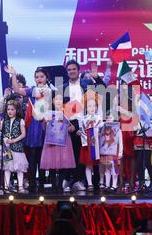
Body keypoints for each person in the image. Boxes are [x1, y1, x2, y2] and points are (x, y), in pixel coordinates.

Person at [63, 59, 107, 192]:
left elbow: (103, 90)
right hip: (70, 123)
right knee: (72, 154)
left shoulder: (86, 83)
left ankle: (85, 182)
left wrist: (96, 77)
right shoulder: (63, 87)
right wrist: (68, 125)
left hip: (86, 122)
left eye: (74, 69)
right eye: (69, 69)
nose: (71, 71)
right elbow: (60, 107)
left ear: (78, 70)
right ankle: (72, 181)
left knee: (86, 153)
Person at [5, 66, 51, 193]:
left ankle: (41, 183)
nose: (39, 79)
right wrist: (13, 74)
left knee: (42, 159)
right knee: (31, 158)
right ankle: (31, 184)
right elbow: (16, 89)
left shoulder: (50, 91)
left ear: (47, 78)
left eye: (42, 76)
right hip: (32, 127)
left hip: (44, 127)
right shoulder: (33, 90)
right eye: (37, 77)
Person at [40, 93, 76, 193]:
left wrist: (70, 128)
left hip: (64, 141)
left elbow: (72, 127)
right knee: (52, 163)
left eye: (60, 99)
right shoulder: (48, 114)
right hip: (51, 142)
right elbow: (44, 128)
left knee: (63, 163)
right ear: (53, 101)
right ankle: (53, 185)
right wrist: (46, 122)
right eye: (56, 99)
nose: (58, 101)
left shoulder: (66, 113)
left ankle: (59, 184)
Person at [0, 101, 28, 193]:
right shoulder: (4, 121)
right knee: (7, 167)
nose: (10, 111)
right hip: (6, 147)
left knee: (19, 168)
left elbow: (23, 134)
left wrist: (13, 140)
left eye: (12, 109)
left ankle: (20, 187)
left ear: (16, 110)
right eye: (8, 109)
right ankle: (6, 186)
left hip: (17, 147)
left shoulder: (20, 120)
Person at [79, 92, 103, 192]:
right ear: (85, 107)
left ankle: (100, 182)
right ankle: (89, 183)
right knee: (88, 164)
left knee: (99, 164)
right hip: (87, 145)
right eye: (89, 106)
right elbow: (82, 132)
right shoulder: (83, 119)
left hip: (98, 146)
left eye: (94, 106)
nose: (92, 108)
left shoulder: (100, 119)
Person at [99, 113, 123, 192]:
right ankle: (107, 185)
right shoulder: (103, 129)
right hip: (106, 152)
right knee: (107, 169)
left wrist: (120, 153)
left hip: (114, 153)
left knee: (114, 169)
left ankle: (114, 185)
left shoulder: (118, 129)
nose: (109, 119)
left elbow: (120, 142)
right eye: (107, 118)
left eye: (110, 117)